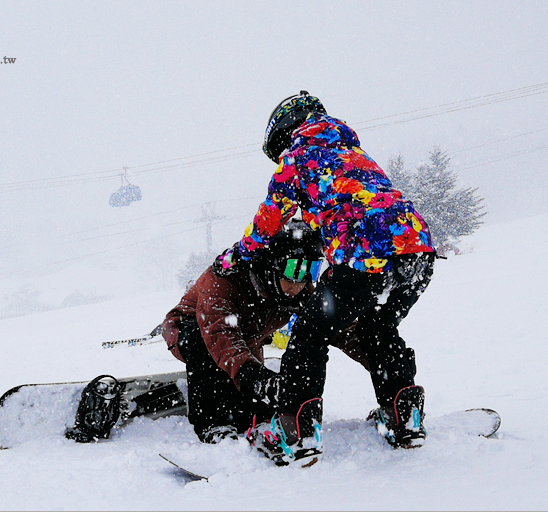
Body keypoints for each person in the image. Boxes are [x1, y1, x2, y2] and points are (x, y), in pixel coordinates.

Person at [213, 91, 435, 463]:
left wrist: (235, 257)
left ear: (284, 133)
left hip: (364, 255)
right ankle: (404, 418)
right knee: (375, 327)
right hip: (417, 252)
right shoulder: (352, 152)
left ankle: (294, 432)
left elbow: (269, 221)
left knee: (309, 334)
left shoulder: (298, 154)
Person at [162, 223, 371, 449]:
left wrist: (381, 364)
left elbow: (338, 330)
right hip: (193, 330)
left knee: (256, 407)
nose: (299, 284)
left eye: (310, 272)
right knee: (203, 344)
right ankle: (215, 426)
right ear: (273, 264)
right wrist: (254, 376)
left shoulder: (297, 290)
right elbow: (219, 335)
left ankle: (244, 409)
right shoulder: (225, 277)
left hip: (247, 343)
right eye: (294, 271)